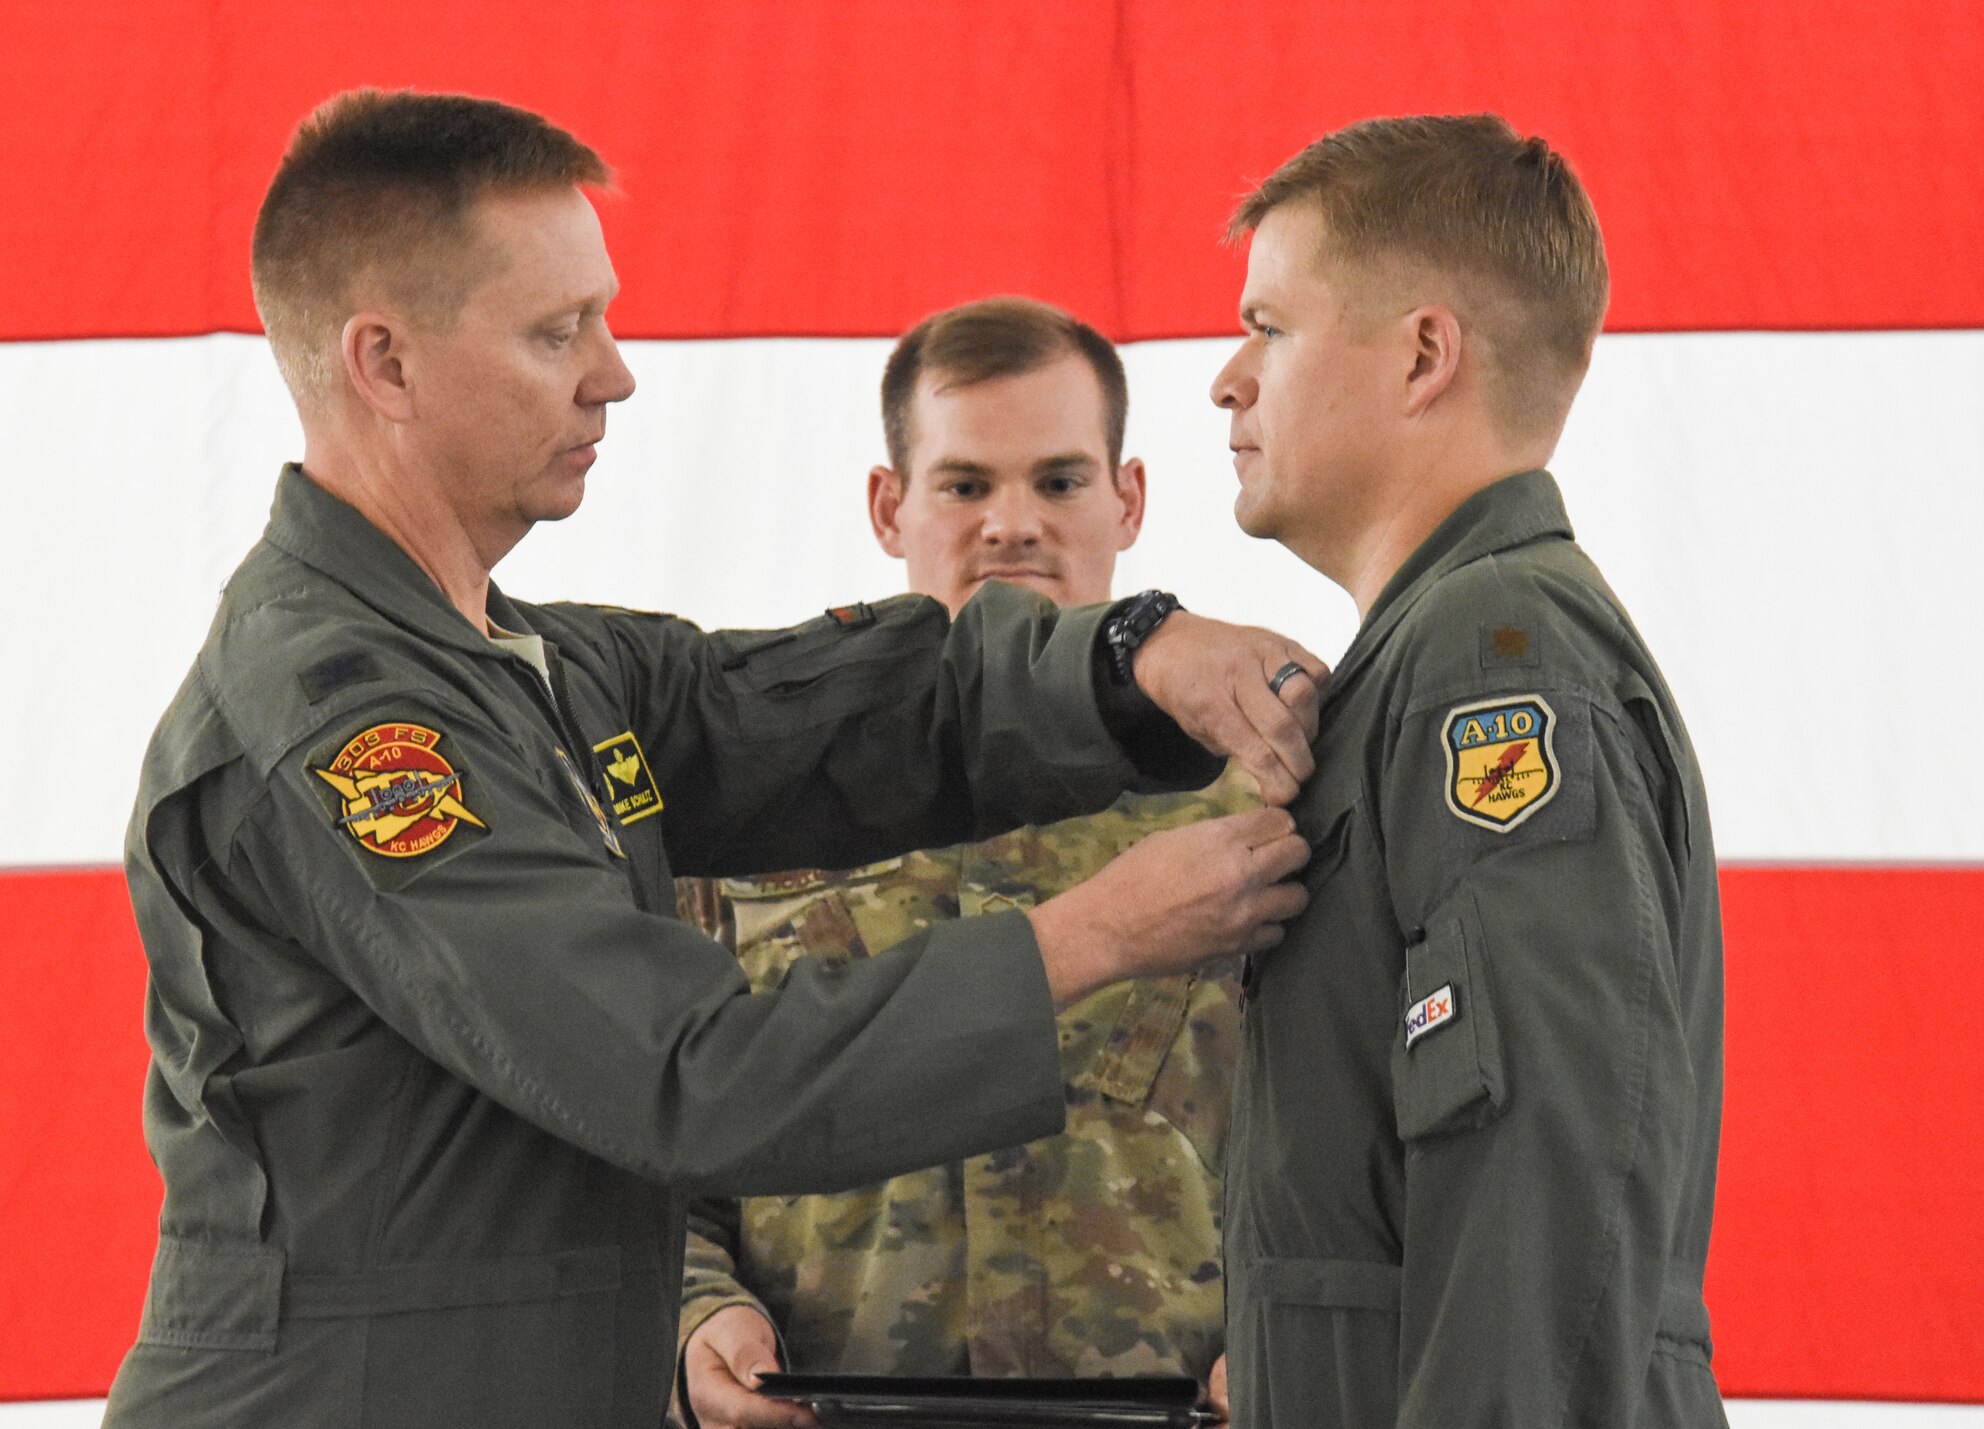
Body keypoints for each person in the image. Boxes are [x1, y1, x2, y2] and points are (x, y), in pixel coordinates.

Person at [103, 91, 1329, 1429]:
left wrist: (1127, 658)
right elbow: (685, 1074)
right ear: (385, 366)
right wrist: (1089, 938)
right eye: (556, 329)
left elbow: (836, 714)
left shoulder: (528, 669)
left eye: (603, 318)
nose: (612, 371)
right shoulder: (352, 730)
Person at [1208, 115, 1729, 1427]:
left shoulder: (1493, 664)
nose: (1228, 377)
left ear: (1425, 354)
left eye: (1269, 327)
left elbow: (1547, 1185)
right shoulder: (1438, 658)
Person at [673, 298, 1255, 1429]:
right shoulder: (745, 805)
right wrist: (696, 1313)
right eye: (964, 484)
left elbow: (1345, 1140)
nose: (1012, 523)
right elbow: (656, 1133)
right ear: (888, 506)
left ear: (1126, 498)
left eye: (1058, 480)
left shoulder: (1250, 798)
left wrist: (1290, 1338)